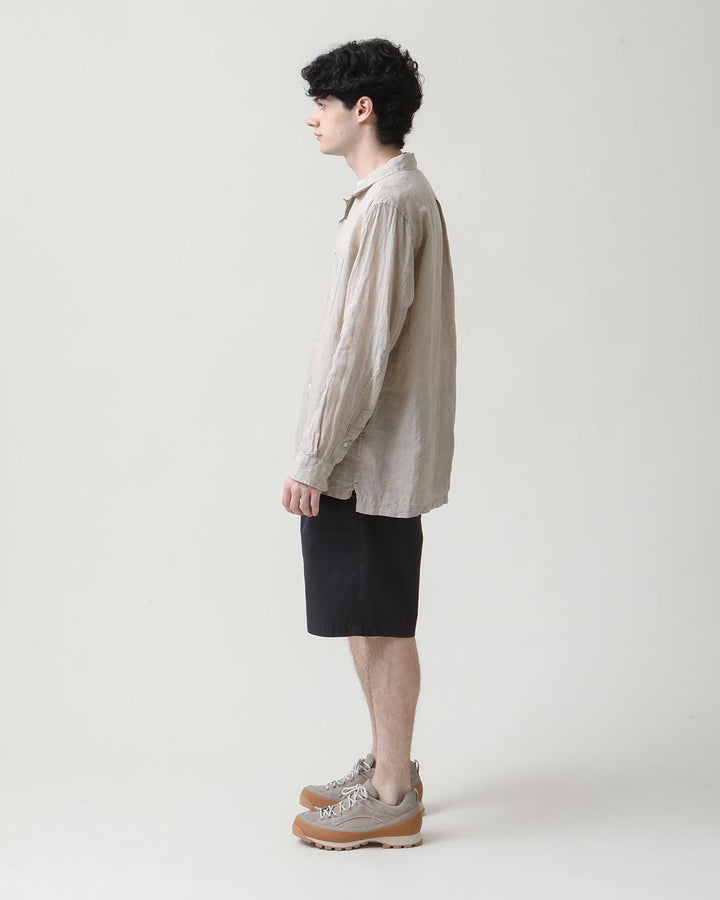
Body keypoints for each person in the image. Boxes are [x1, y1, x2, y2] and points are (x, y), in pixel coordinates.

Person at [281, 37, 457, 851]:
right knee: (366, 612)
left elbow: (361, 349)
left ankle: (392, 798)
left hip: (366, 458)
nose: (311, 117)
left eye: (322, 102)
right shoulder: (389, 197)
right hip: (369, 454)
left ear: (363, 108)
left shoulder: (389, 203)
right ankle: (391, 768)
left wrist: (314, 458)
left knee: (382, 622)